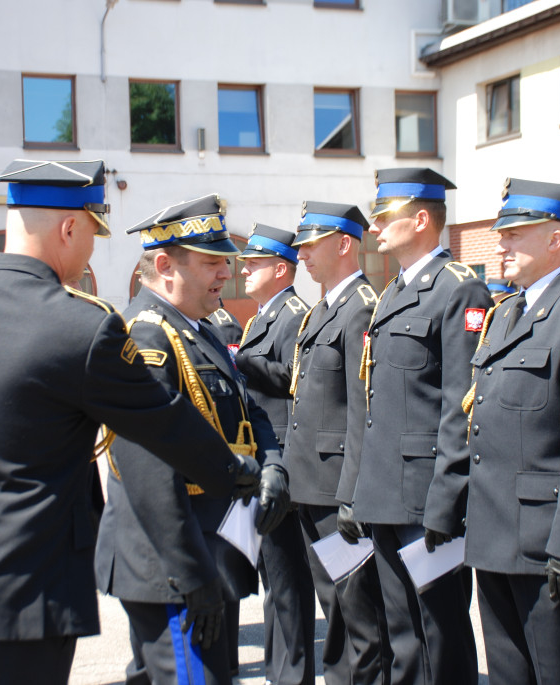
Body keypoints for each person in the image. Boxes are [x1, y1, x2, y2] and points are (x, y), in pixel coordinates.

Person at [0, 160, 260, 685]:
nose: (90, 251)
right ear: (69, 228)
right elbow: (163, 424)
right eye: (91, 233)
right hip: (23, 602)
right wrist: (236, 472)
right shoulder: (80, 327)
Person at [95, 194, 290, 685]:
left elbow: (248, 411)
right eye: (211, 263)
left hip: (210, 549)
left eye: (225, 261)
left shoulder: (196, 329)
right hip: (175, 562)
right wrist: (190, 573)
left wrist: (272, 467)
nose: (226, 273)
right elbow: (147, 471)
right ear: (163, 265)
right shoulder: (144, 337)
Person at [463, 179, 560, 685]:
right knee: (510, 675)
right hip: (493, 533)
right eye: (501, 233)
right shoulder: (505, 313)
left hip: (547, 544)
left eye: (515, 233)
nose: (501, 244)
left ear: (556, 240)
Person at [341, 168, 486, 684]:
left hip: (427, 498)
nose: (376, 227)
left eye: (386, 217)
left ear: (421, 219)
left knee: (440, 638)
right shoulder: (393, 291)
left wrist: (447, 501)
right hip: (385, 492)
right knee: (403, 638)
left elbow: (460, 405)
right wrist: (359, 492)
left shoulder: (458, 290)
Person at [285, 201, 390, 685]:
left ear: (345, 244)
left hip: (336, 491)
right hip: (310, 486)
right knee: (334, 612)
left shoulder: (361, 309)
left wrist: (352, 493)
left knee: (359, 618)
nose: (301, 255)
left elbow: (362, 409)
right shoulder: (324, 309)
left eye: (311, 246)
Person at [234, 223, 317, 685]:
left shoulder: (294, 315)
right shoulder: (263, 315)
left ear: (281, 268)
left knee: (288, 583)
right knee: (275, 582)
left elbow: (295, 380)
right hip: (267, 461)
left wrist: (240, 362)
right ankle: (280, 672)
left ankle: (293, 675)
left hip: (284, 461)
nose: (245, 269)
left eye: (255, 262)